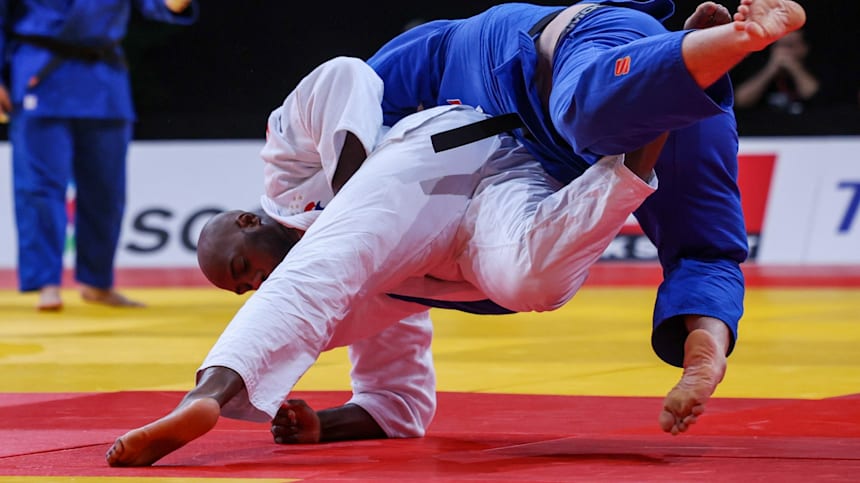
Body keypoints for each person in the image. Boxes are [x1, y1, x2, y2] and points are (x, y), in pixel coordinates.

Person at [105, 53, 666, 467]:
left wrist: (352, 195)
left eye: (241, 268)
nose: (256, 280)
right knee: (533, 284)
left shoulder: (286, 170)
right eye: (245, 288)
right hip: (483, 220)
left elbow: (344, 74)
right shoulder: (362, 291)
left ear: (247, 221)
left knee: (329, 263)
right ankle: (649, 136)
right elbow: (398, 404)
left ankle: (205, 397)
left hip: (447, 152)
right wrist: (323, 426)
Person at [364, 0, 804, 436]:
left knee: (581, 115)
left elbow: (351, 111)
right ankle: (706, 345)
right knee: (705, 250)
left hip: (592, 58)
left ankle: (711, 49)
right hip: (669, 103)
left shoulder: (429, 51)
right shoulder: (447, 95)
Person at [0, 0, 198, 311]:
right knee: (39, 188)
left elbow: (164, 6)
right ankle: (46, 284)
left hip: (104, 80)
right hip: (39, 73)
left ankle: (97, 282)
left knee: (106, 190)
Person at [733, 29, 820, 114]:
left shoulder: (812, 65)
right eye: (781, 45)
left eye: (790, 46)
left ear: (804, 48)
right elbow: (741, 100)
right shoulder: (758, 65)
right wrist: (771, 69)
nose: (784, 52)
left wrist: (794, 67)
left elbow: (814, 95)